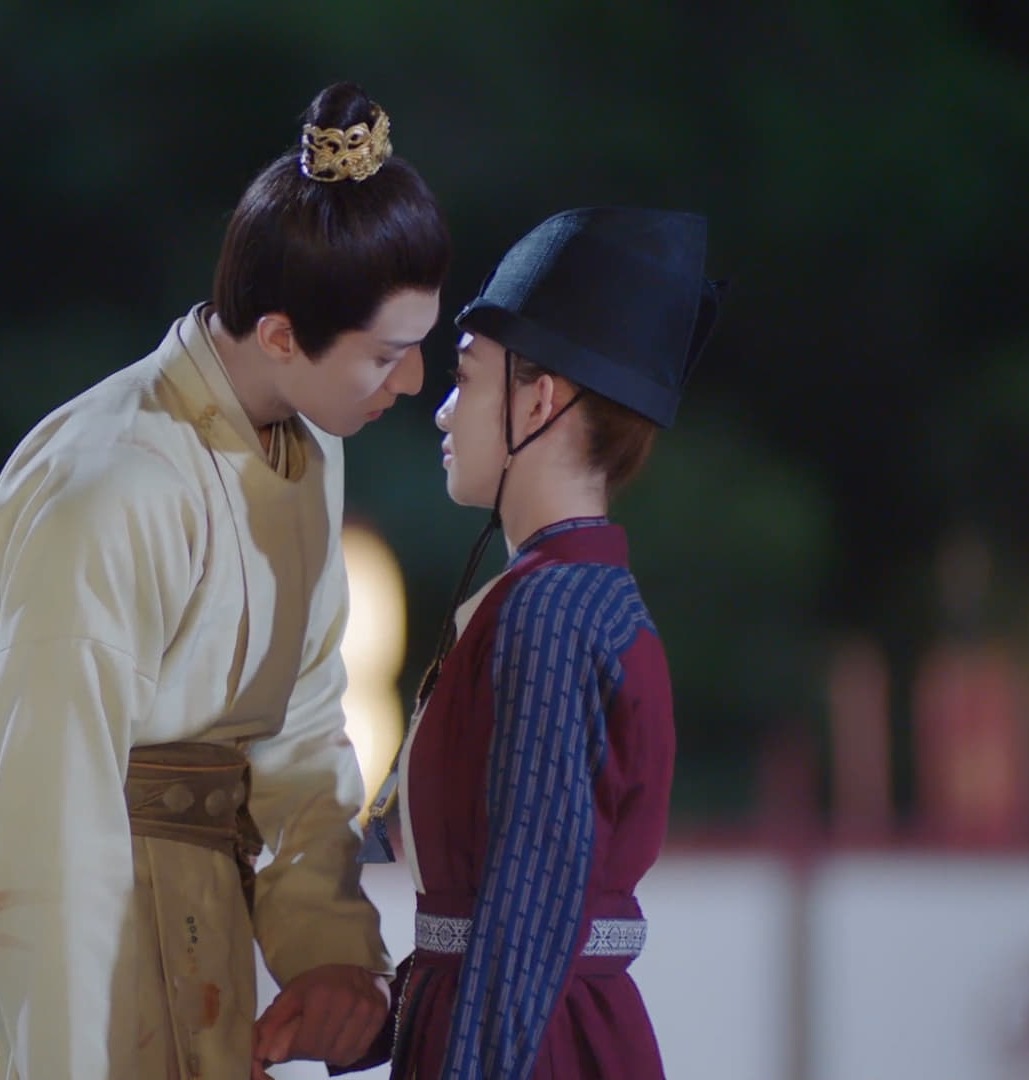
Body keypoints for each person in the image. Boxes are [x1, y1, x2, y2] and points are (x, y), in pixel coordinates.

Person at [0, 82, 451, 1080]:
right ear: (283, 336)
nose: (415, 381)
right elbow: (53, 823)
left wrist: (332, 953)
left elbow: (303, 728)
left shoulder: (308, 454)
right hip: (74, 960)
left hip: (201, 928)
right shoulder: (108, 486)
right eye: (387, 354)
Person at [273, 207, 725, 1078]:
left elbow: (525, 924)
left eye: (467, 378)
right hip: (522, 1031)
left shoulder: (552, 610)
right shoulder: (555, 594)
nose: (445, 412)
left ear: (539, 399)